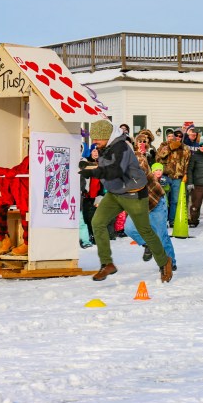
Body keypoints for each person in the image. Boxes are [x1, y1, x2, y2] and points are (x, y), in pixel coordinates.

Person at [80, 119, 173, 283]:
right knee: (98, 222)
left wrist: (94, 172)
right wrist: (89, 165)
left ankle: (164, 261)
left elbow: (115, 170)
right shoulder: (105, 146)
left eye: (97, 139)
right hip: (115, 192)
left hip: (134, 193)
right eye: (93, 139)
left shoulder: (121, 147)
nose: (94, 142)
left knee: (145, 230)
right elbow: (105, 165)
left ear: (107, 136)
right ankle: (107, 263)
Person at [124, 145, 178, 271]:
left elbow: (141, 164)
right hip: (139, 205)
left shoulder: (137, 160)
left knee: (161, 235)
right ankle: (148, 244)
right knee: (129, 229)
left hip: (156, 202)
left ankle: (169, 262)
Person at [156, 128, 190, 227]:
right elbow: (158, 157)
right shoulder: (164, 145)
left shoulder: (185, 148)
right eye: (177, 135)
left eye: (180, 136)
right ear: (173, 135)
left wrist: (186, 174)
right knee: (163, 200)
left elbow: (187, 163)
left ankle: (172, 221)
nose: (178, 137)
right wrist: (170, 147)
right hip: (165, 176)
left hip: (178, 177)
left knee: (175, 201)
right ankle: (162, 221)